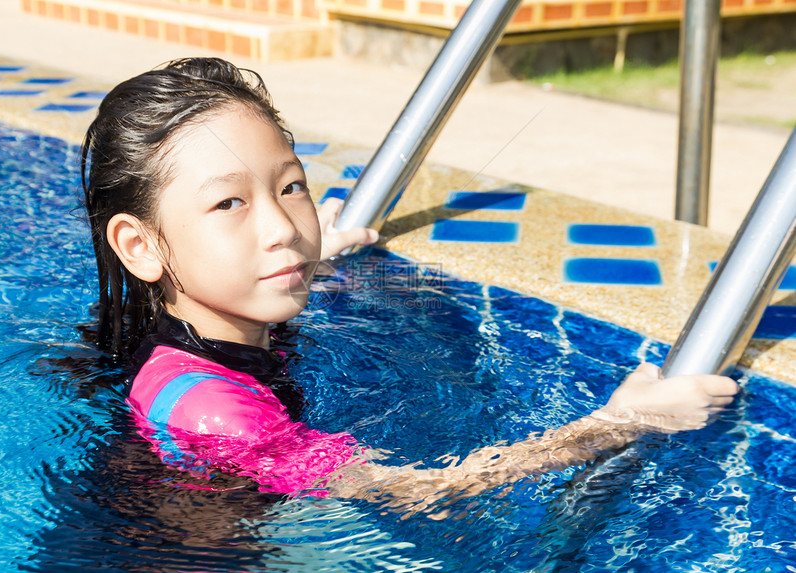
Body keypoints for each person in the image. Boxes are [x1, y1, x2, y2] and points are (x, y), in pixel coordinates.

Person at [81, 57, 738, 509]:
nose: (282, 226)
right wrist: (620, 422)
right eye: (230, 204)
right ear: (141, 246)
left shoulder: (200, 326)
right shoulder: (212, 412)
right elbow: (415, 491)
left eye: (290, 187)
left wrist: (319, 252)